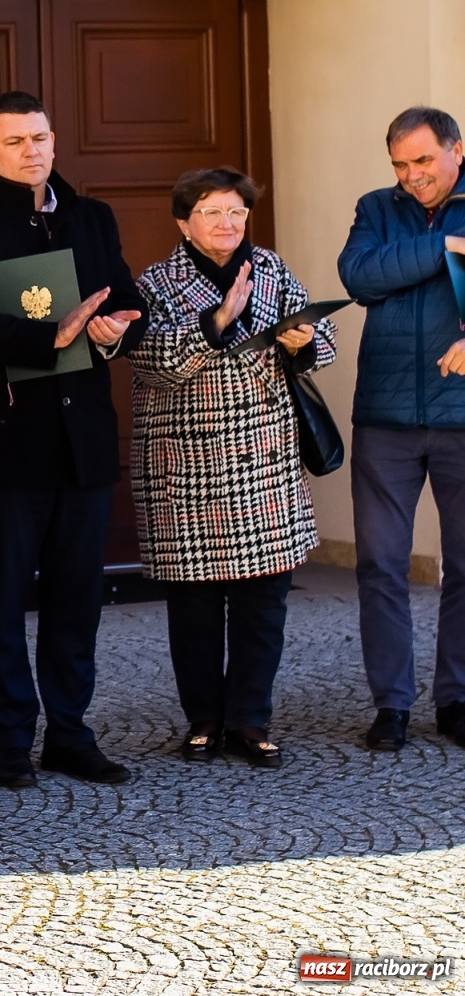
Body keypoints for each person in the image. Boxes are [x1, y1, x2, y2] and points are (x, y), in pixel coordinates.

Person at [0, 92, 147, 789]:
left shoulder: (92, 216)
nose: (33, 151)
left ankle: (70, 733)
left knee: (75, 603)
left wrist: (116, 331)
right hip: (7, 444)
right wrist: (45, 336)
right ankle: (7, 741)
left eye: (41, 137)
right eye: (16, 140)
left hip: (83, 442)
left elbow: (126, 301)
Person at [129, 167, 337, 767]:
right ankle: (203, 718)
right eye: (213, 212)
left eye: (237, 212)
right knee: (193, 605)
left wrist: (305, 341)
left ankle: (250, 718)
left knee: (263, 602)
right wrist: (215, 325)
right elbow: (145, 360)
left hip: (264, 459)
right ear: (184, 222)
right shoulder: (156, 283)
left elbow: (322, 338)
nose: (228, 223)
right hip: (183, 465)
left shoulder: (272, 270)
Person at [337, 106, 465, 752]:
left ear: (457, 149)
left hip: (462, 415)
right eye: (400, 164)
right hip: (384, 419)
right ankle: (391, 704)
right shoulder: (375, 207)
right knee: (380, 565)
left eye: (423, 160)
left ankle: (457, 698)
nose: (412, 176)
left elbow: (385, 271)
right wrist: (445, 247)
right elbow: (360, 276)